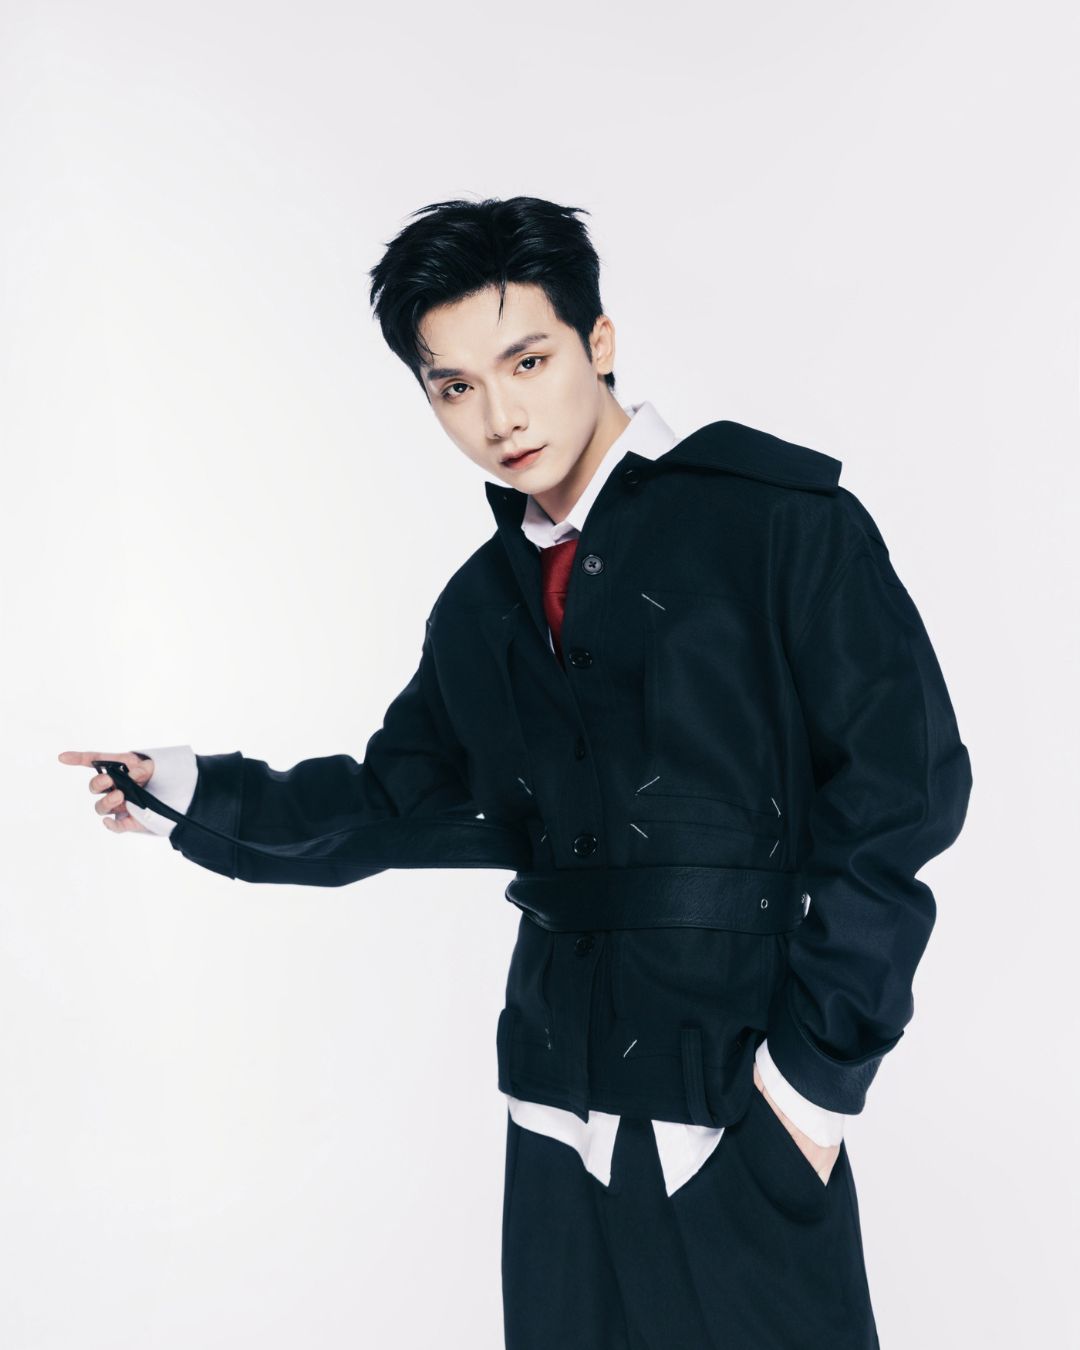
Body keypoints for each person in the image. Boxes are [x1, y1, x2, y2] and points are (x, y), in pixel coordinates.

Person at [59, 195, 973, 1349]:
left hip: (733, 1097)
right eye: (454, 386)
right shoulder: (480, 604)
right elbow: (394, 802)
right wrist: (184, 791)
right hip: (552, 1099)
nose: (499, 416)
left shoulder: (781, 524)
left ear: (598, 342)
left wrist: (812, 1084)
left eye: (526, 361)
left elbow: (902, 794)